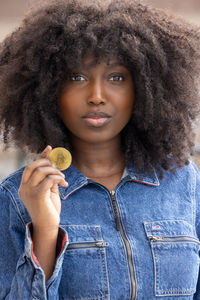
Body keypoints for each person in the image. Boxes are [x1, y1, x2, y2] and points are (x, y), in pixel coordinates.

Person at [0, 0, 200, 299]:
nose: (96, 96)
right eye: (76, 77)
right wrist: (44, 230)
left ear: (145, 88)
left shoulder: (183, 180)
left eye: (117, 77)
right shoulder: (18, 196)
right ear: (47, 89)